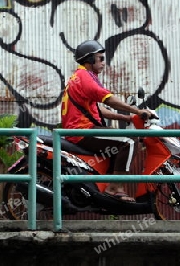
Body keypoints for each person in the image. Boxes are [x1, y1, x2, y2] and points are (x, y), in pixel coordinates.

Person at [61, 40, 153, 202]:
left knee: (119, 145)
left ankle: (107, 188)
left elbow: (97, 109)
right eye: (101, 58)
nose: (104, 62)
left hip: (80, 129)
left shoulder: (80, 77)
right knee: (129, 143)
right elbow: (108, 99)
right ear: (90, 60)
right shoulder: (84, 77)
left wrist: (127, 117)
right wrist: (137, 111)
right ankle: (115, 188)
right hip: (83, 131)